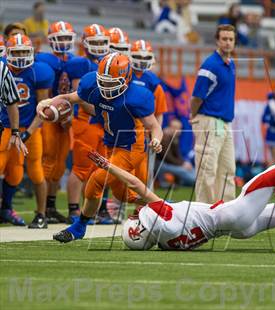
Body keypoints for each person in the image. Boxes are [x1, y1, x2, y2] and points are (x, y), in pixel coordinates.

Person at [59, 150, 275, 254]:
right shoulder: (158, 217)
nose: (136, 216)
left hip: (238, 231)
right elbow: (136, 184)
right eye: (136, 221)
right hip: (232, 214)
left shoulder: (163, 240)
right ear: (143, 227)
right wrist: (108, 166)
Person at [37, 52, 163, 242]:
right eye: (103, 81)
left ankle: (80, 226)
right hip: (111, 144)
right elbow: (71, 98)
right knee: (123, 194)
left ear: (126, 79)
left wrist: (156, 139)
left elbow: (154, 126)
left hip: (131, 148)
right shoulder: (91, 84)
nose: (106, 87)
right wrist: (48, 101)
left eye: (112, 83)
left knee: (96, 181)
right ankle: (165, 206)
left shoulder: (136, 96)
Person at [0, 34, 54, 228]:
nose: (22, 56)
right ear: (8, 52)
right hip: (4, 127)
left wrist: (28, 132)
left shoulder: (38, 71)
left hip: (30, 129)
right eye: (17, 52)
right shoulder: (2, 67)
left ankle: (41, 215)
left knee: (36, 172)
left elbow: (43, 107)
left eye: (25, 51)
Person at [64, 23, 110, 224]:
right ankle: (74, 210)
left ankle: (88, 211)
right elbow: (80, 97)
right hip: (87, 120)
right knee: (81, 168)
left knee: (98, 170)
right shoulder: (81, 64)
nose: (99, 46)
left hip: (101, 122)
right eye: (95, 42)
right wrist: (99, 110)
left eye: (102, 42)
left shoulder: (106, 63)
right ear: (85, 43)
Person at [190, 24, 236, 203]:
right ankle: (205, 213)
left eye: (231, 39)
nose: (227, 43)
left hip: (224, 122)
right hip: (208, 120)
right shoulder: (210, 65)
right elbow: (196, 97)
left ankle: (226, 212)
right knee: (207, 170)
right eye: (224, 39)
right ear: (217, 40)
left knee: (228, 170)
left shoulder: (230, 64)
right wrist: (194, 117)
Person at [36, 20, 76, 223]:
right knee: (48, 161)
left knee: (60, 165)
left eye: (67, 37)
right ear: (50, 40)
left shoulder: (75, 60)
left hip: (66, 117)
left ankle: (50, 206)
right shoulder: (45, 60)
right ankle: (41, 209)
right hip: (49, 117)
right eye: (59, 38)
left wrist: (68, 115)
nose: (63, 41)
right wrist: (54, 113)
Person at [130, 39, 168, 186]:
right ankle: (116, 206)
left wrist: (155, 136)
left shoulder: (153, 82)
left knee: (145, 174)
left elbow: (159, 112)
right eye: (139, 56)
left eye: (146, 57)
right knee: (123, 171)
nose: (142, 61)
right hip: (124, 129)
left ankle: (145, 207)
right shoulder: (124, 75)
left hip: (144, 133)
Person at [0, 59, 27, 225]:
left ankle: (6, 208)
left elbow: (11, 102)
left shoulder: (2, 68)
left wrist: (15, 132)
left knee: (15, 170)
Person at [156, 119, 195, 187]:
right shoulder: (164, 137)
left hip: (170, 163)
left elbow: (178, 155)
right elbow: (167, 157)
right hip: (161, 164)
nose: (179, 131)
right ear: (170, 127)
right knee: (185, 172)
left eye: (180, 129)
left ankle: (180, 182)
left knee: (191, 170)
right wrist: (181, 164)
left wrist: (184, 163)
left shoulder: (174, 137)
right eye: (177, 128)